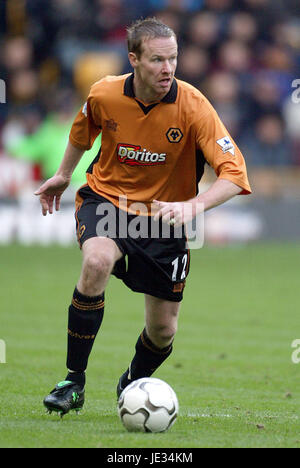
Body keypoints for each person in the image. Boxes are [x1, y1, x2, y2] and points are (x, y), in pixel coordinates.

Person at [35, 17, 251, 417]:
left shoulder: (194, 106)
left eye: (173, 59)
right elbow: (83, 131)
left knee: (163, 330)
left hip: (165, 221)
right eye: (157, 60)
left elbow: (235, 176)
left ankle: (133, 378)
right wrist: (64, 175)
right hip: (107, 202)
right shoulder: (104, 93)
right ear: (133, 59)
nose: (168, 68)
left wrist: (193, 206)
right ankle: (73, 381)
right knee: (96, 261)